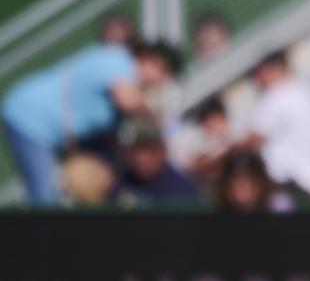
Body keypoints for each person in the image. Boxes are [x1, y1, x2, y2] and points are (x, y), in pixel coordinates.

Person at [2, 40, 178, 204]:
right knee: (44, 196)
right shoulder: (119, 60)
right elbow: (127, 101)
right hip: (31, 119)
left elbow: (111, 142)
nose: (162, 80)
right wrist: (160, 120)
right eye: (163, 71)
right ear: (147, 59)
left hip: (54, 135)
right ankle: (37, 236)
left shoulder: (126, 91)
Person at [245, 51, 310, 196]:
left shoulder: (276, 96)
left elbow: (250, 143)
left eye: (260, 72)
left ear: (278, 68)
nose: (257, 79)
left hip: (297, 188)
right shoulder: (306, 91)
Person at [110, 115, 202, 208]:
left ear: (163, 151)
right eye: (137, 149)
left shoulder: (180, 192)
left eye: (149, 149)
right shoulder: (122, 184)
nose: (142, 158)